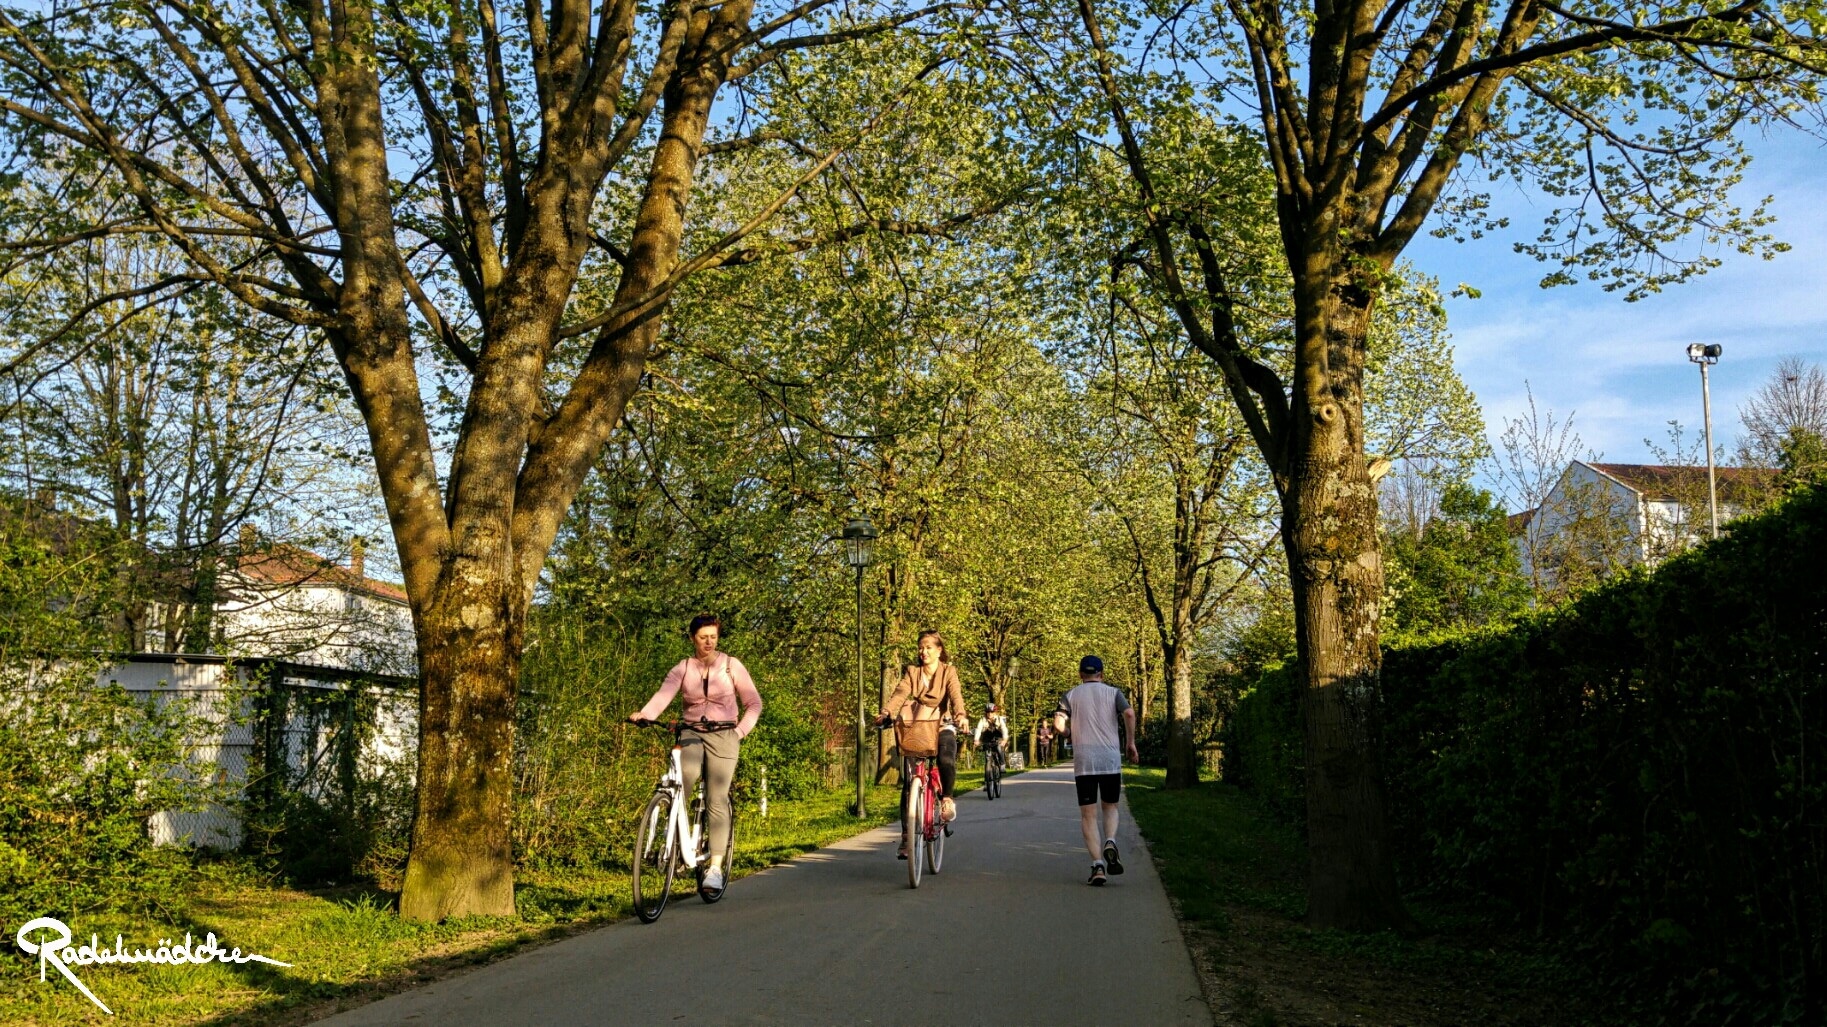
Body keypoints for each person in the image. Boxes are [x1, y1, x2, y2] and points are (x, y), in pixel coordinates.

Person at [628, 613, 761, 899]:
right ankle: (676, 840)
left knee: (716, 798)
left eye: (713, 636)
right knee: (684, 776)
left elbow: (753, 703)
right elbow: (664, 694)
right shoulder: (684, 668)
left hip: (725, 735)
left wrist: (739, 732)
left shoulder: (732, 665)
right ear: (692, 639)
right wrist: (646, 714)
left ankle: (714, 867)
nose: (709, 642)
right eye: (703, 637)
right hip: (691, 732)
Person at [875, 630, 968, 858]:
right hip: (918, 726)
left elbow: (955, 695)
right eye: (920, 648)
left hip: (942, 723)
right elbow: (900, 693)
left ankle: (946, 799)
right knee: (909, 784)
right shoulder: (913, 672)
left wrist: (960, 715)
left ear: (939, 650)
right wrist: (887, 712)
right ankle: (906, 836)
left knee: (946, 757)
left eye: (928, 647)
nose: (923, 652)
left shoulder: (948, 671)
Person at [1053, 655, 1137, 886]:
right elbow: (1129, 714)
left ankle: (1098, 866)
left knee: (1088, 815)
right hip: (1109, 759)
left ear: (1081, 674)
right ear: (1102, 674)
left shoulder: (1070, 695)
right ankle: (1110, 840)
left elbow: (1058, 724)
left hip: (1084, 761)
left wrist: (1069, 733)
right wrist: (1130, 742)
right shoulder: (1114, 693)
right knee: (1110, 807)